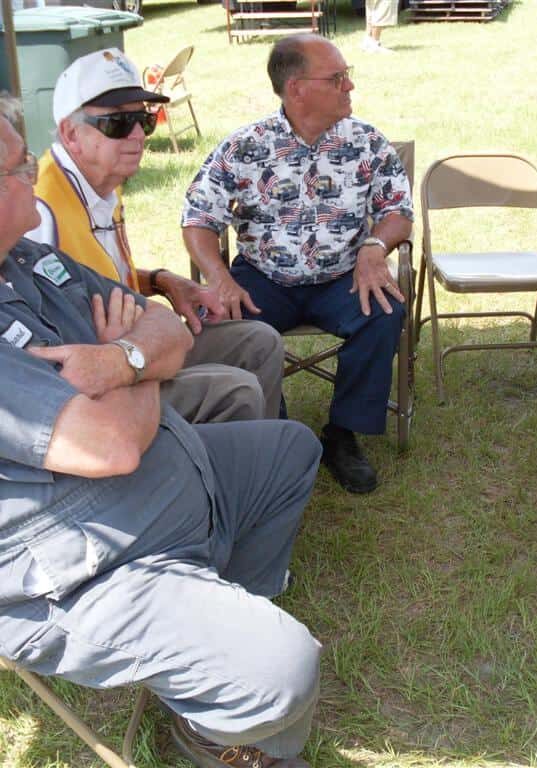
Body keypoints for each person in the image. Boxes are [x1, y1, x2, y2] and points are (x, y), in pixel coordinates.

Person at [0, 96, 321, 768]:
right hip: (84, 568)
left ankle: (211, 641)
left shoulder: (26, 262)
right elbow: (109, 446)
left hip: (158, 491)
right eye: (14, 167)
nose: (31, 173)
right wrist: (138, 371)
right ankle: (224, 730)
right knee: (284, 669)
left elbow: (165, 328)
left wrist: (120, 360)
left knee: (289, 450)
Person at [182, 33, 413, 494]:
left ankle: (342, 435)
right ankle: (276, 431)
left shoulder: (367, 142)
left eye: (348, 77)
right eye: (338, 78)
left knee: (385, 312)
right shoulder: (245, 147)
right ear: (296, 89)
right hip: (264, 278)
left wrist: (374, 248)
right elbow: (198, 219)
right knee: (225, 319)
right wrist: (219, 278)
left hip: (343, 276)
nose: (350, 87)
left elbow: (398, 213)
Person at [26, 47, 285, 423]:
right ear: (70, 133)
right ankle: (200, 472)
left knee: (259, 342)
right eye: (117, 123)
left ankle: (263, 451)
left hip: (135, 344)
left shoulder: (101, 184)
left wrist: (162, 281)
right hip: (101, 383)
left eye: (144, 121)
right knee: (235, 389)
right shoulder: (39, 210)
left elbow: (94, 278)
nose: (137, 136)